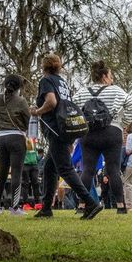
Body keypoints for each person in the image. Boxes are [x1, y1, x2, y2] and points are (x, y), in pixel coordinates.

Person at [30, 53, 104, 219]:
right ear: (58, 66)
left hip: (56, 129)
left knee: (65, 169)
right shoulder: (62, 82)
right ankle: (46, 208)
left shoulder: (46, 80)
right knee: (49, 169)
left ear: (44, 67)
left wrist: (37, 111)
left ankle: (91, 202)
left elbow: (51, 102)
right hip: (66, 128)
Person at [74, 61, 132, 215]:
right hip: (111, 132)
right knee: (113, 170)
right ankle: (121, 205)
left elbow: (73, 107)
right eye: (110, 76)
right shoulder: (115, 91)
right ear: (104, 77)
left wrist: (80, 124)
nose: (112, 79)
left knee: (87, 169)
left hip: (89, 134)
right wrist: (123, 123)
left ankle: (82, 205)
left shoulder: (82, 92)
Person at [0, 73, 32, 216]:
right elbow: (28, 119)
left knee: (2, 174)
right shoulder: (21, 101)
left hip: (1, 138)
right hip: (16, 138)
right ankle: (14, 208)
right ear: (18, 87)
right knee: (16, 172)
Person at [21, 143, 42, 210]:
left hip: (34, 165)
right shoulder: (23, 140)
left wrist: (39, 157)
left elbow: (36, 155)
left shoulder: (33, 141)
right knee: (25, 184)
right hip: (25, 165)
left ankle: (37, 204)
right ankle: (25, 204)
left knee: (36, 184)